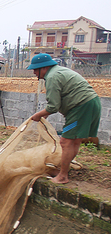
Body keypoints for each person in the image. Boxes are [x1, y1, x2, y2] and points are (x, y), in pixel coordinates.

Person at [27, 53, 101, 184]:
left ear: (44, 68)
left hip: (81, 107)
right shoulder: (58, 71)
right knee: (75, 141)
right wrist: (46, 114)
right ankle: (63, 170)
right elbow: (57, 102)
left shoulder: (52, 77)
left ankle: (62, 176)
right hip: (91, 103)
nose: (34, 73)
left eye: (35, 69)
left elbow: (53, 106)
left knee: (66, 142)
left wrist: (38, 115)